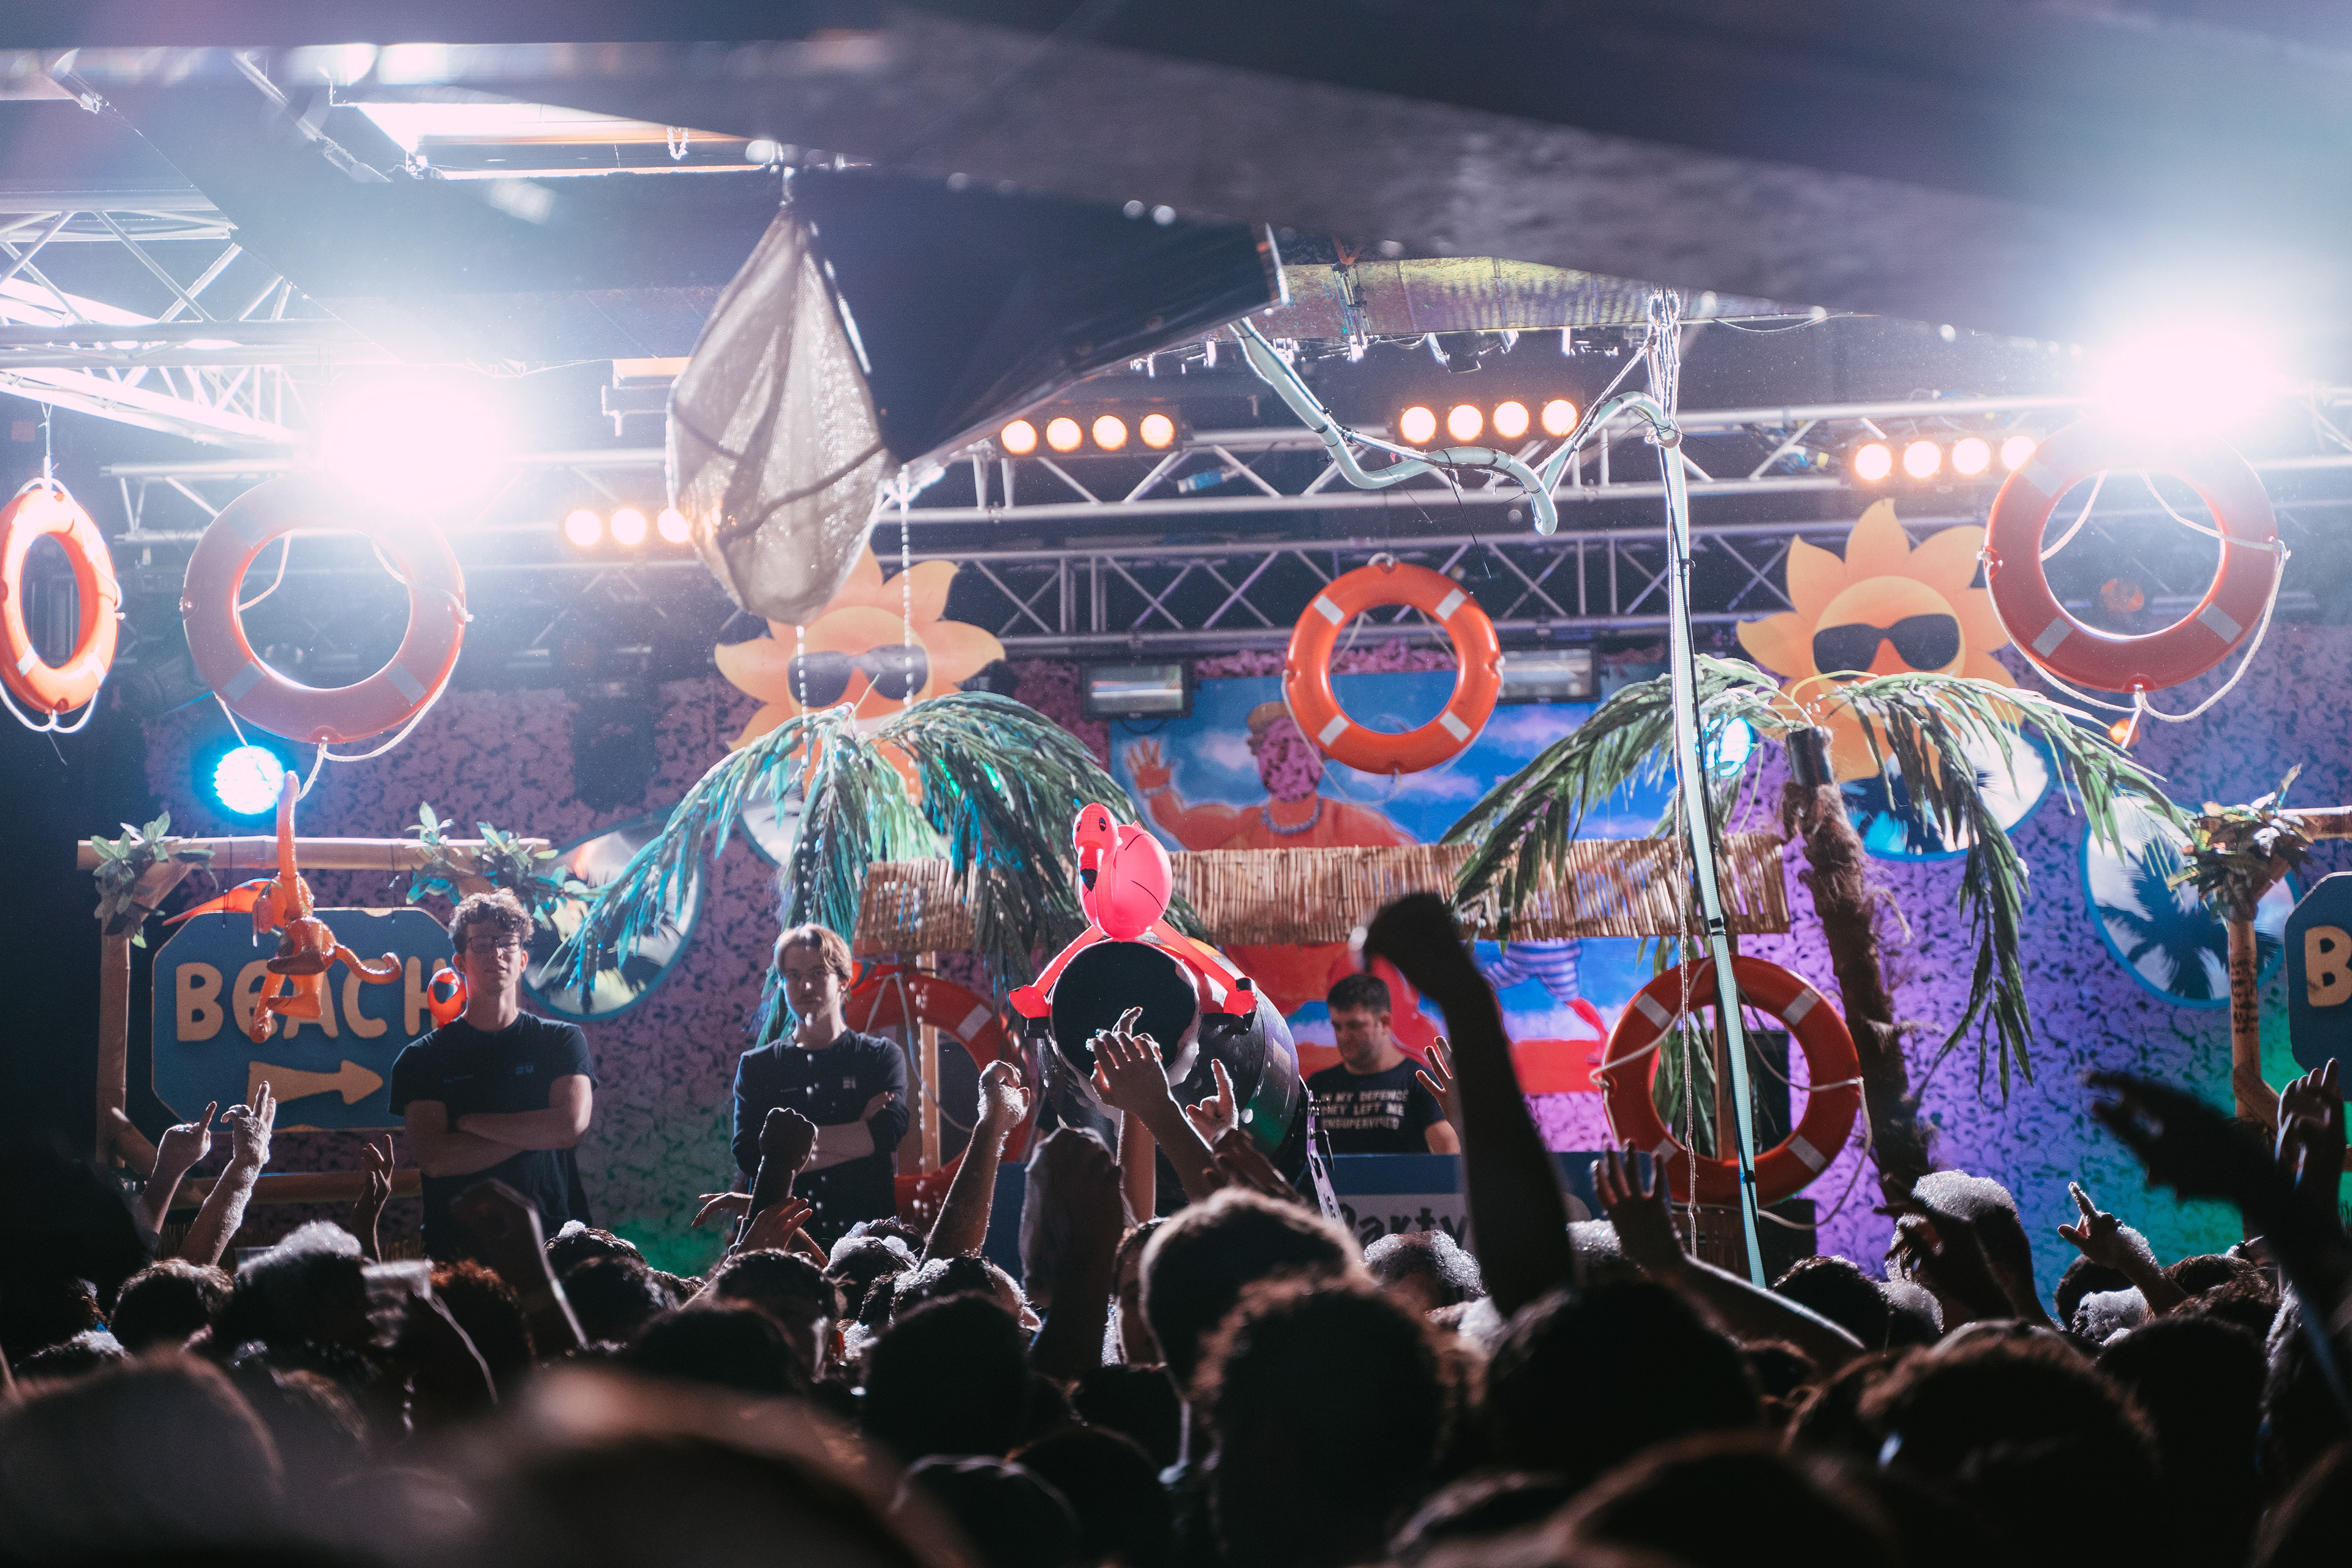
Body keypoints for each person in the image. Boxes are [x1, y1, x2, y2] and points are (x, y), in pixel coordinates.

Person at [390, 889, 595, 1261]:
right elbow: (436, 1158)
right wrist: (537, 1134)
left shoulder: (561, 1042)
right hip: (459, 1255)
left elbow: (568, 1127)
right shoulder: (422, 1059)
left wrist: (469, 1123)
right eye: (482, 944)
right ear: (460, 961)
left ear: (522, 959)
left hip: (556, 1248)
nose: (496, 953)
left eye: (507, 943)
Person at [729, 925, 910, 1250]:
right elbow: (749, 1154)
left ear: (844, 980)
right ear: (782, 983)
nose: (806, 986)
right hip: (781, 1246)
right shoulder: (758, 1066)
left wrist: (782, 1157)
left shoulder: (880, 1057)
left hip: (865, 1244)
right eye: (794, 976)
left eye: (818, 973)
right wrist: (859, 1133)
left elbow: (886, 1133)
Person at [1305, 974, 1458, 1155]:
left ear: (1385, 1023)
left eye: (1355, 1026)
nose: (1344, 1036)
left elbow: (1449, 1156)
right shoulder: (1317, 1086)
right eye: (1337, 1026)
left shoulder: (1419, 1082)